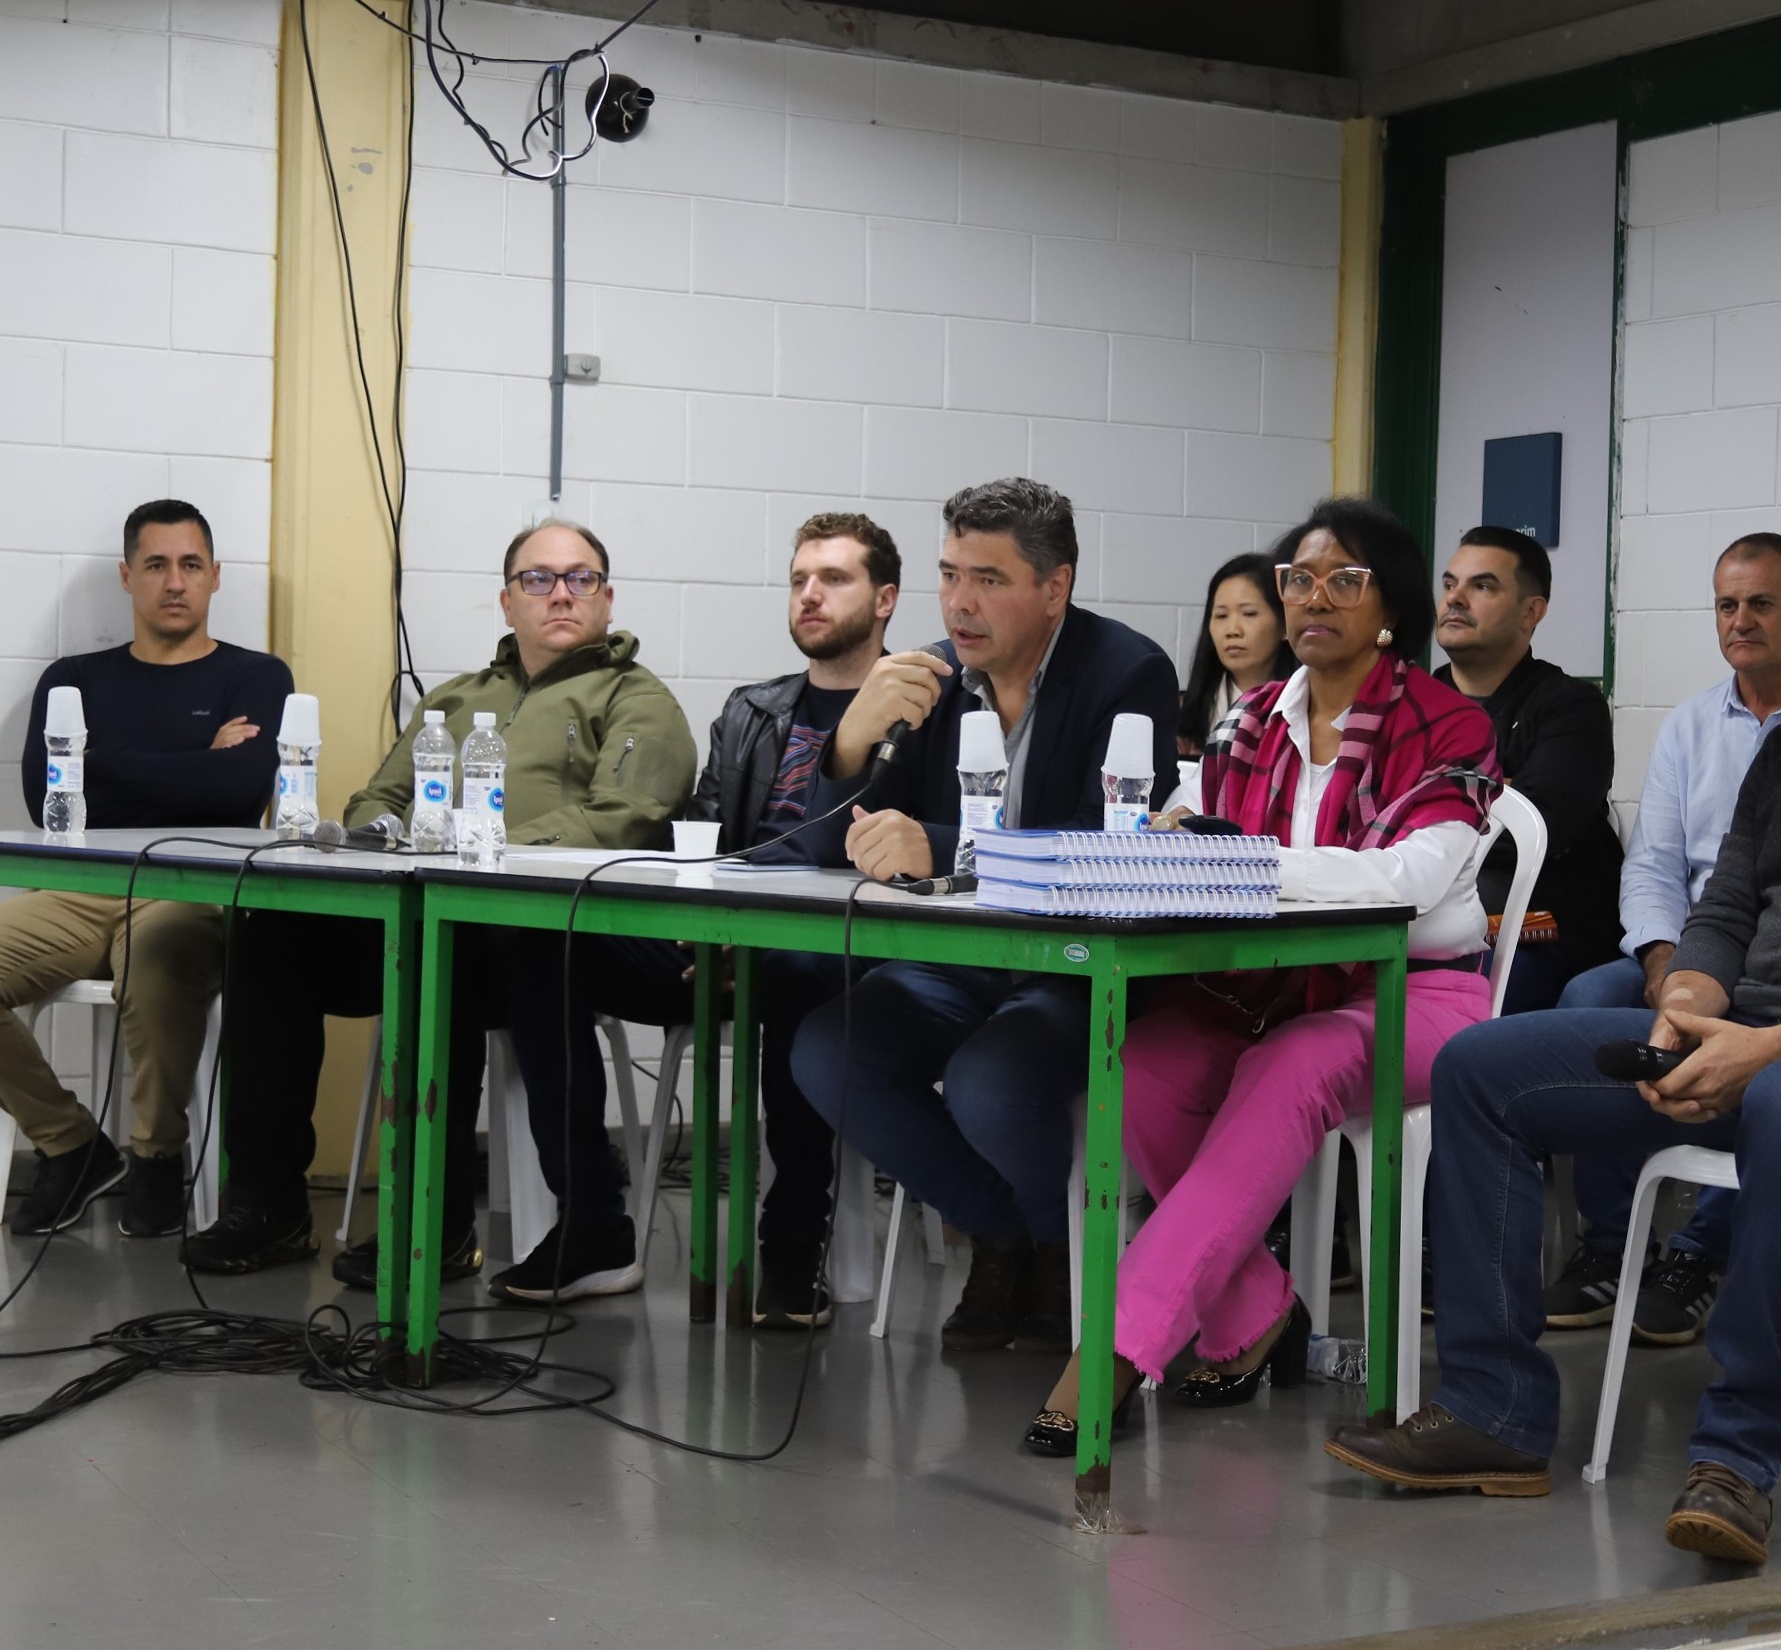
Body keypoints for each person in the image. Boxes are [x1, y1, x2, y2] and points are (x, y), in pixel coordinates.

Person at [1329, 474, 1781, 1567]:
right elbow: (1723, 911)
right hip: (1749, 1043)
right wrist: (1687, 1006)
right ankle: (1496, 1413)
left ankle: (1738, 1457)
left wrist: (1768, 1047)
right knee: (1484, 1068)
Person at [1027, 499, 1497, 1455]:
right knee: (1144, 1066)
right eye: (1297, 580)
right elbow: (1178, 832)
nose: (1312, 598)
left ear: (1391, 606)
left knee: (1293, 1065)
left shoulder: (1450, 726)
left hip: (1415, 992)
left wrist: (1242, 856)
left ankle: (1115, 1345)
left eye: (1343, 581)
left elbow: (1406, 884)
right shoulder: (1249, 720)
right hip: (1261, 981)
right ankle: (1258, 1313)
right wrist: (1180, 844)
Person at [183, 520, 699, 1304]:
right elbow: (376, 799)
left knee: (454, 949)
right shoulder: (458, 700)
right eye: (538, 579)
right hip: (432, 914)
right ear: (506, 601)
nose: (560, 592)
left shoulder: (638, 699)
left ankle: (480, 1222)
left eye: (580, 578)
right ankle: (271, 1203)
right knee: (270, 931)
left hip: (553, 934)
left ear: (607, 597)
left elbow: (622, 819)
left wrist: (480, 856)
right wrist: (393, 844)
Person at [788, 478, 1182, 1354]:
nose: (961, 602)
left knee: (989, 1081)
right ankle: (1007, 1230)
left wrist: (933, 843)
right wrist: (851, 738)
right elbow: (826, 846)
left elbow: (1104, 846)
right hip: (962, 960)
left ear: (1055, 588)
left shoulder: (1130, 672)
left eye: (990, 579)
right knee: (828, 1048)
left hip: (1077, 964)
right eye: (949, 573)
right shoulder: (930, 675)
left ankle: (1048, 1245)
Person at [0, 500, 289, 1240]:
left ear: (216, 577)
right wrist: (198, 763)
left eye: (190, 565)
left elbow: (239, 791)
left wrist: (103, 765)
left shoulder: (257, 676)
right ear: (128, 577)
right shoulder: (73, 678)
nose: (174, 582)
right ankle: (72, 1146)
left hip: (192, 887)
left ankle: (157, 1153)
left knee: (156, 957)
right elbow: (46, 798)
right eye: (156, 565)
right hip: (81, 886)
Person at [1541, 534, 1781, 1352]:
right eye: (1727, 605)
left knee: (1767, 1036)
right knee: (1589, 1002)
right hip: (1691, 947)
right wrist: (1665, 963)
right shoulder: (1692, 725)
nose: (1740, 620)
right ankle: (1610, 1242)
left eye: (1762, 603)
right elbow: (1654, 866)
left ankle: (1699, 1253)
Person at [687, 510, 902, 1330]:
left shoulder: (923, 704)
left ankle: (790, 1243)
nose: (810, 595)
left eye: (834, 579)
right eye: (799, 580)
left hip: (852, 952)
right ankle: (590, 1226)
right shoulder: (753, 710)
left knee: (799, 973)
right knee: (550, 952)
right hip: (744, 932)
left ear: (884, 599)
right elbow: (705, 837)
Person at [1434, 526, 1620, 1013]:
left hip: (1534, 937)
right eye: (1450, 583)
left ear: (1531, 612)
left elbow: (1533, 830)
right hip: (1419, 922)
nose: (1455, 598)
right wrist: (1496, 791)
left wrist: (1430, 799)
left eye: (1482, 586)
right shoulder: (1407, 703)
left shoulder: (1571, 706)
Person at [1176, 553, 1294, 758]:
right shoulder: (1180, 716)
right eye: (1221, 615)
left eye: (1249, 614)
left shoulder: (1310, 711)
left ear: (1285, 625)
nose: (1232, 630)